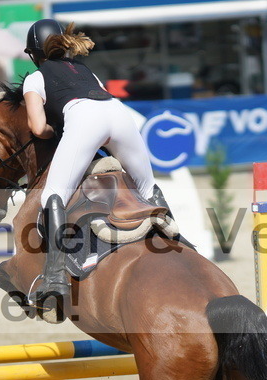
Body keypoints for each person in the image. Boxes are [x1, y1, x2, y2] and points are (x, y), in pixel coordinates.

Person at [21, 18, 170, 309]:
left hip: (86, 118)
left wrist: (58, 131)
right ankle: (177, 241)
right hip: (119, 114)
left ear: (34, 53)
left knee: (53, 196)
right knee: (148, 185)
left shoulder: (35, 78)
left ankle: (54, 278)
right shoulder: (86, 71)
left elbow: (38, 129)